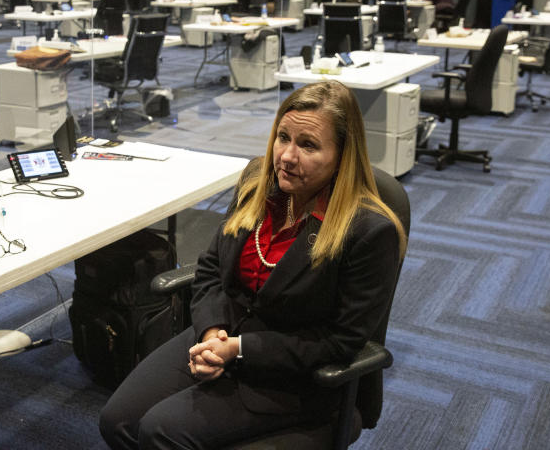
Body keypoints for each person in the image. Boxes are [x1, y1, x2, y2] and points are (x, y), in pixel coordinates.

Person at [99, 81, 406, 449]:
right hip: (220, 335)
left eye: (308, 145)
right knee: (117, 421)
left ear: (342, 155)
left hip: (292, 376)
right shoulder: (258, 186)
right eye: (283, 137)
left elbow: (339, 342)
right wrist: (212, 333)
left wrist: (240, 349)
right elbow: (211, 268)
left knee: (160, 431)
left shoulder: (369, 231)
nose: (287, 157)